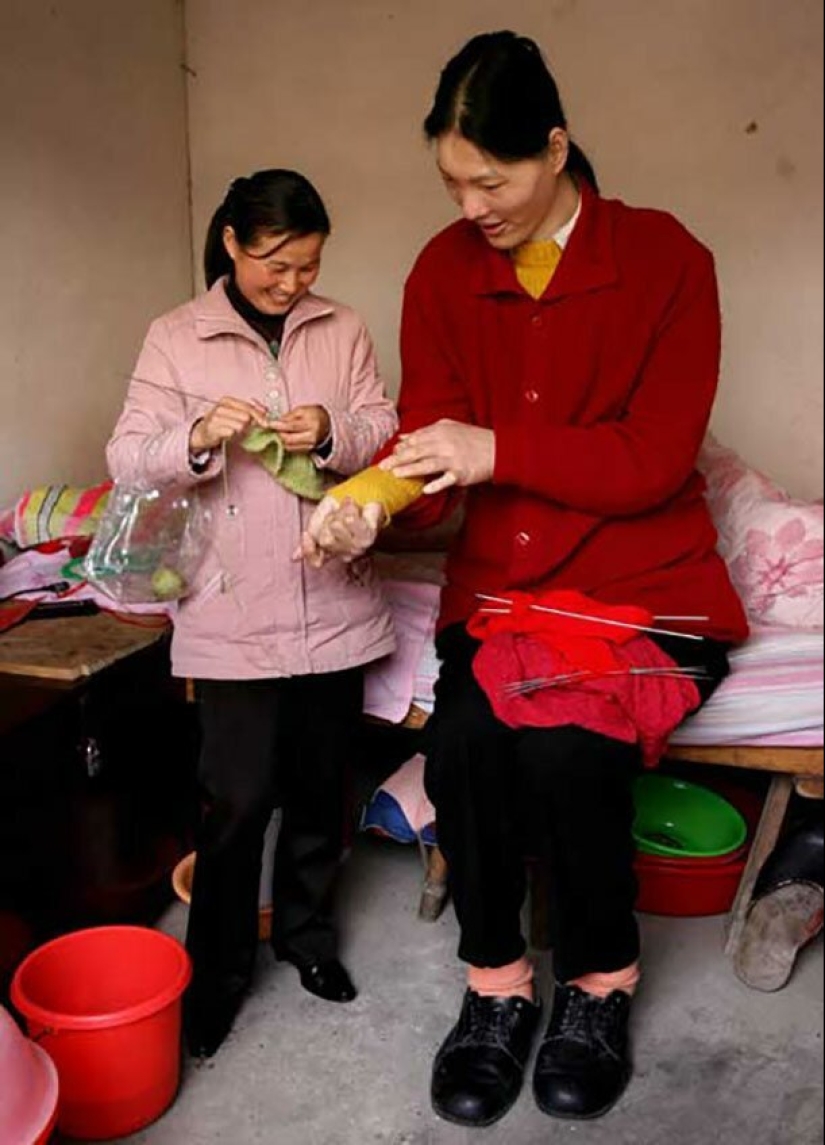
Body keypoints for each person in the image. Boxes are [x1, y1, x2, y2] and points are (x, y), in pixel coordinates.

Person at [299, 31, 750, 1128]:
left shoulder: (666, 260)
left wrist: (494, 447)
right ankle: (496, 982)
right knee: (463, 745)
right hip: (505, 593)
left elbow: (654, 458)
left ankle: (599, 980)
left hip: (645, 587)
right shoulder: (442, 270)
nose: (471, 208)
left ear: (554, 147)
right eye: (452, 183)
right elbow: (430, 449)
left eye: (490, 181)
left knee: (567, 749)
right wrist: (373, 500)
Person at [106, 168, 398, 1058]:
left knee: (319, 793)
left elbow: (380, 426)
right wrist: (196, 437)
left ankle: (306, 940)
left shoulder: (341, 326)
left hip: (333, 599)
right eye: (275, 263)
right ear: (231, 243)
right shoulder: (175, 337)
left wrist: (332, 430)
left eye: (307, 266)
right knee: (234, 804)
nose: (291, 283)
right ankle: (220, 974)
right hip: (230, 609)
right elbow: (127, 456)